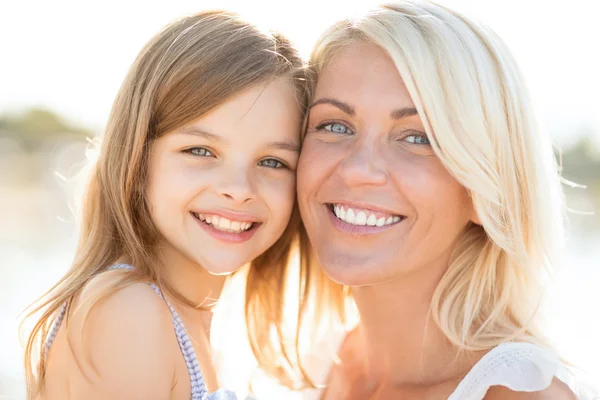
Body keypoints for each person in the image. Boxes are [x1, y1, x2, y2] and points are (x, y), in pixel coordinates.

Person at [297, 1, 594, 398]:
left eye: (418, 137)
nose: (357, 169)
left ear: (482, 192)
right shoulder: (313, 362)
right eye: (335, 125)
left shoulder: (516, 394)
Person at [23, 10, 308, 400]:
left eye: (273, 162)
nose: (239, 189)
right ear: (139, 159)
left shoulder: (204, 323)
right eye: (201, 150)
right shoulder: (128, 314)